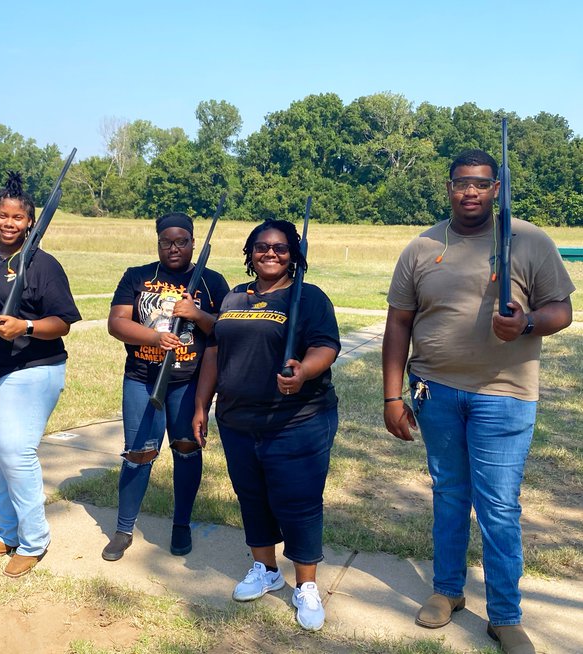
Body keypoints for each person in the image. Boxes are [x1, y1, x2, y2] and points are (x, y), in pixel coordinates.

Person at [382, 149, 574, 654]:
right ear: (448, 187)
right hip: (435, 392)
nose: (470, 191)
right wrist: (391, 394)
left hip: (504, 397)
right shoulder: (423, 246)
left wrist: (526, 324)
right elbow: (398, 322)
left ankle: (505, 615)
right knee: (448, 494)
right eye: (461, 182)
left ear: (496, 189)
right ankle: (448, 591)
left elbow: (562, 309)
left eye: (481, 183)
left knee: (499, 507)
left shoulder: (528, 240)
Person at [193, 219, 340, 632]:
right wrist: (202, 405)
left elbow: (326, 345)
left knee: (299, 501)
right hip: (238, 419)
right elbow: (214, 350)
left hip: (296, 419)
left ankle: (306, 586)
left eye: (280, 248)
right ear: (249, 252)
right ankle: (266, 569)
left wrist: (304, 371)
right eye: (261, 247)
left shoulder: (307, 297)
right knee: (251, 496)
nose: (270, 253)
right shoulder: (234, 297)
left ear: (294, 254)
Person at [0, 172, 81, 578]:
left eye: (18, 217)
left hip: (31, 368)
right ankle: (6, 532)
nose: (9, 223)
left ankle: (34, 540)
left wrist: (25, 326)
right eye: (2, 215)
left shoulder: (42, 265)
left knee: (15, 453)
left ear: (30, 222)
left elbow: (63, 322)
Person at [102, 212, 229, 561]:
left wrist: (196, 315)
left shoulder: (212, 282)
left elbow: (226, 329)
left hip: (188, 383)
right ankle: (123, 529)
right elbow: (116, 323)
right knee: (138, 453)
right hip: (142, 378)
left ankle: (181, 525)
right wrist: (156, 338)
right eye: (166, 242)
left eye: (181, 241)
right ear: (158, 242)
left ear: (192, 242)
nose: (173, 248)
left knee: (187, 449)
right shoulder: (138, 276)